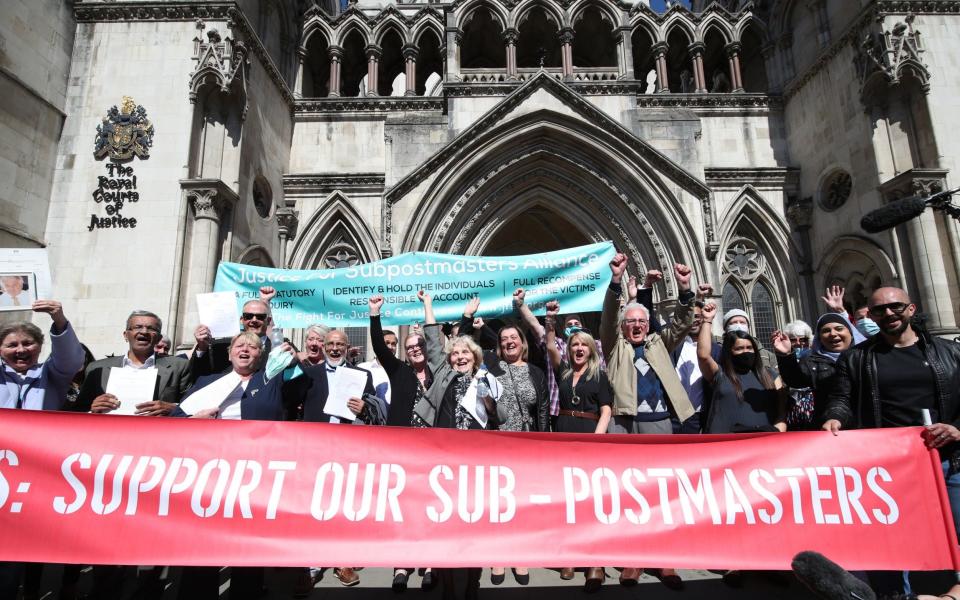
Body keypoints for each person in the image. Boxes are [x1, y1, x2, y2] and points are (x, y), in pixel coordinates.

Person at [823, 287, 960, 597]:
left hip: (948, 460)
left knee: (957, 532)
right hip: (888, 469)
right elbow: (841, 398)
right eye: (879, 310)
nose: (888, 314)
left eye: (895, 307)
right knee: (890, 544)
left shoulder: (949, 352)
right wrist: (835, 418)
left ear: (911, 309)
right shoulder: (856, 358)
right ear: (869, 316)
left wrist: (955, 429)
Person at [599, 254, 698, 590]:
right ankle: (632, 559)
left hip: (659, 423)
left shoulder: (659, 342)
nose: (637, 325)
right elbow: (610, 316)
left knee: (661, 491)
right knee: (629, 493)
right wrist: (616, 283)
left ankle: (665, 558)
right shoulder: (615, 347)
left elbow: (683, 323)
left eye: (642, 321)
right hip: (625, 424)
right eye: (632, 322)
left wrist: (685, 290)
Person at [171, 331, 292, 600]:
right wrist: (194, 419)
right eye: (240, 345)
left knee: (246, 553)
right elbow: (175, 418)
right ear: (229, 353)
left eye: (252, 346)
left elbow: (280, 342)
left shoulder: (271, 379)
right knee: (204, 549)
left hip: (254, 478)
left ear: (261, 355)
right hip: (211, 477)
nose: (245, 349)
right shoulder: (207, 381)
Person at [411, 291, 500, 600]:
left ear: (475, 358)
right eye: (456, 353)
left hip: (476, 462)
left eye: (466, 353)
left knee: (473, 525)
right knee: (445, 526)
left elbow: (498, 417)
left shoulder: (486, 380)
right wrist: (428, 305)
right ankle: (449, 586)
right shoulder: (444, 374)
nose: (460, 357)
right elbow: (434, 341)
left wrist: (490, 402)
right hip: (444, 461)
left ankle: (472, 583)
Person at [0, 300, 84, 599]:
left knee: (28, 546)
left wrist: (58, 320)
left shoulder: (50, 375)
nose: (21, 350)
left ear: (39, 347)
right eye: (12, 345)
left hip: (37, 476)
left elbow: (70, 360)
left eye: (28, 343)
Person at [284, 328, 375, 590]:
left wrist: (365, 407)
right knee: (315, 506)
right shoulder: (309, 372)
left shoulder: (362, 375)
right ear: (323, 347)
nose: (335, 349)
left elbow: (373, 409)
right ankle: (310, 566)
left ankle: (342, 561)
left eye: (340, 345)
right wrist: (291, 365)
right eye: (330, 344)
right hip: (316, 448)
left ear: (347, 348)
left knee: (344, 505)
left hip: (349, 447)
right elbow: (290, 398)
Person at [365, 295, 437, 593]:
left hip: (434, 450)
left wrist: (429, 307)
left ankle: (431, 563)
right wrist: (374, 314)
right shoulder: (400, 372)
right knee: (405, 507)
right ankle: (402, 566)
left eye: (419, 346)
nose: (415, 350)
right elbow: (381, 348)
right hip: (404, 449)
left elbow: (440, 341)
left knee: (432, 507)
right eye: (410, 348)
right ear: (405, 354)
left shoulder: (438, 372)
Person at [544, 299, 612, 590]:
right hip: (564, 432)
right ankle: (570, 554)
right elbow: (549, 347)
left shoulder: (600, 374)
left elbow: (607, 408)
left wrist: (597, 436)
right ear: (569, 350)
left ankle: (595, 562)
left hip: (590, 432)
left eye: (584, 345)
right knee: (569, 498)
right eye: (574, 345)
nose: (579, 349)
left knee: (592, 500)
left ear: (592, 348)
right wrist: (551, 321)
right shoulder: (564, 372)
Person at [512, 288, 605, 429]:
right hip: (560, 411)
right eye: (569, 325)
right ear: (563, 329)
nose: (573, 327)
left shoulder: (597, 345)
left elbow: (612, 328)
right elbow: (535, 325)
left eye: (576, 324)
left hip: (592, 411)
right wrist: (521, 304)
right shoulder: (557, 344)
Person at [76, 310, 192, 416]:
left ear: (158, 338)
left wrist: (173, 408)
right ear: (126, 335)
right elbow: (78, 410)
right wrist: (93, 409)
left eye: (151, 329)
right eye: (138, 327)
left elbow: (191, 406)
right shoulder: (97, 368)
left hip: (156, 434)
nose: (144, 331)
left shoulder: (179, 366)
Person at [773, 301, 865, 430]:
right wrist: (786, 355)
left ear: (851, 332)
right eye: (826, 331)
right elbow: (795, 380)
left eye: (839, 329)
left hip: (868, 427)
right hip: (829, 427)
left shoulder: (867, 357)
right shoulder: (812, 360)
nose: (833, 334)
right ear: (819, 338)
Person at [192, 288, 275, 377]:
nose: (254, 320)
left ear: (268, 320)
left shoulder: (279, 347)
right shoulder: (220, 347)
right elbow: (199, 375)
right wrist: (202, 347)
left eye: (260, 317)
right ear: (241, 320)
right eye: (248, 316)